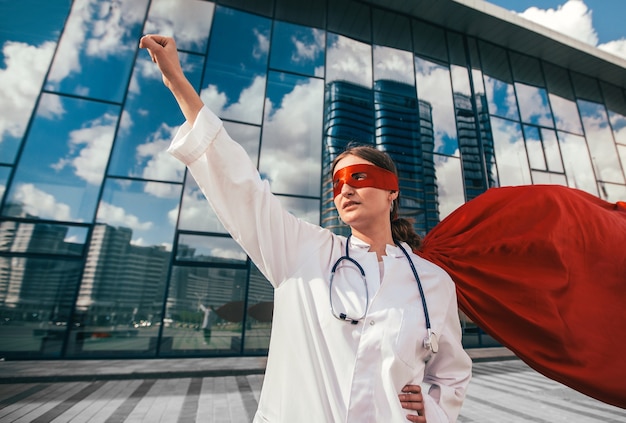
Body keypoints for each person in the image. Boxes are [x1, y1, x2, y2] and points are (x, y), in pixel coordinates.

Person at [140, 34, 472, 422]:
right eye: (336, 183)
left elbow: (452, 372)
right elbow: (244, 189)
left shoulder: (432, 281)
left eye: (358, 177)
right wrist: (178, 84)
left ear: (391, 192)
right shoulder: (304, 251)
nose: (345, 189)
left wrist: (431, 407)